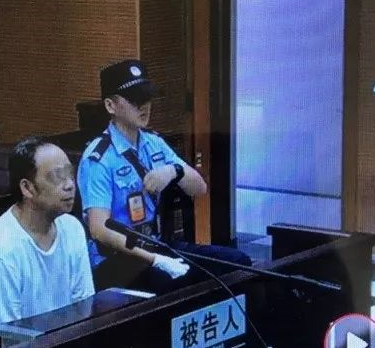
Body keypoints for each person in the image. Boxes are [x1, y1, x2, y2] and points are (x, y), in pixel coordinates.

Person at [77, 59, 252, 295]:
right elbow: (99, 229)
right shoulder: (98, 159)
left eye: (147, 98)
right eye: (135, 99)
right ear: (111, 105)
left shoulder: (153, 143)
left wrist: (174, 171)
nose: (144, 106)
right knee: (175, 285)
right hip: (117, 259)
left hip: (155, 244)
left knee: (236, 262)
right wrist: (155, 260)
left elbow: (199, 188)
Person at [0, 136, 95, 348]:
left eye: (70, 174)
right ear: (27, 188)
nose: (70, 185)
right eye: (57, 177)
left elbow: (84, 309)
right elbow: (5, 341)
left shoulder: (72, 228)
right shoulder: (0, 246)